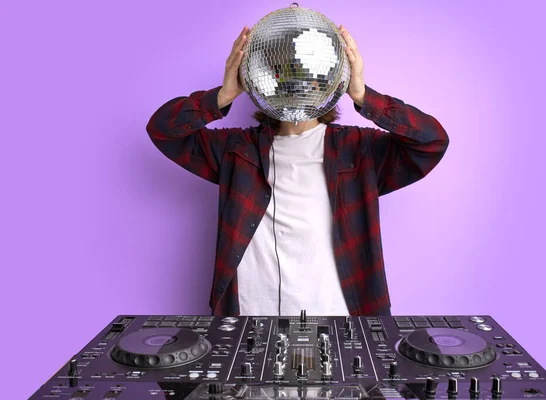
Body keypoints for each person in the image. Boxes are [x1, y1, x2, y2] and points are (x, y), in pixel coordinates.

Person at [146, 26, 449, 317]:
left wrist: (364, 96)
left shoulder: (358, 150)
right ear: (267, 79)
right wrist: (222, 96)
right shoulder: (236, 149)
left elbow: (431, 141)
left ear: (328, 80)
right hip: (249, 320)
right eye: (286, 73)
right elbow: (163, 130)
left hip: (337, 321)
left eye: (309, 74)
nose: (299, 85)